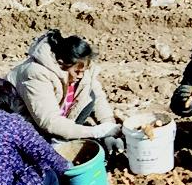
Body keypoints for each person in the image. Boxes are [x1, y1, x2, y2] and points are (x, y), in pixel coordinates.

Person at [9, 29, 118, 162]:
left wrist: (108, 131)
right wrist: (95, 132)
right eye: (77, 72)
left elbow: (98, 97)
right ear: (62, 64)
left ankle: (63, 138)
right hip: (26, 122)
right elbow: (49, 121)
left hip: (56, 119)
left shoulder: (80, 67)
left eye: (83, 71)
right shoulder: (36, 73)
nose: (81, 75)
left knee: (90, 97)